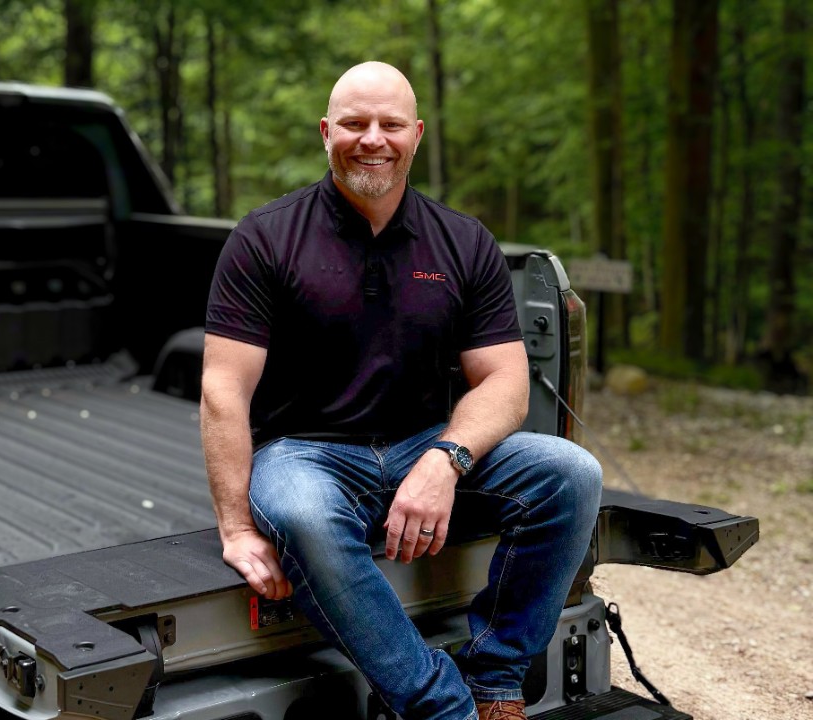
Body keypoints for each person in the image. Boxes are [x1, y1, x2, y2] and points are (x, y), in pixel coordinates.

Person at [200, 61, 603, 720]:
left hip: (424, 439)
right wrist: (236, 526)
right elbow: (223, 387)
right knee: (304, 516)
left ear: (415, 134)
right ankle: (442, 706)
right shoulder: (265, 237)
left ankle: (497, 678)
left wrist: (446, 460)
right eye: (355, 123)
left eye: (390, 124)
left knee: (571, 473)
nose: (373, 139)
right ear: (326, 132)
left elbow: (503, 381)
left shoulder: (464, 240)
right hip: (306, 452)